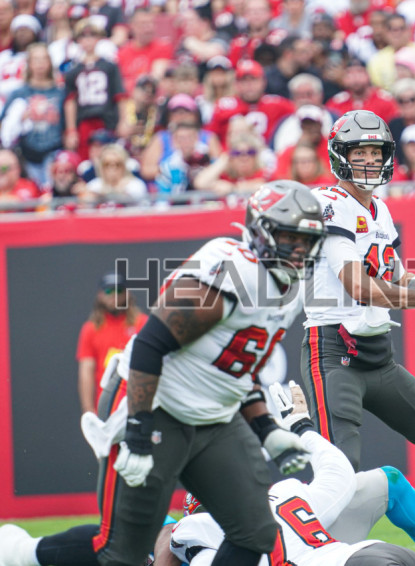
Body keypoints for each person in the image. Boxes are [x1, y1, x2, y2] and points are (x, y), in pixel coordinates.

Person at [0, 182, 323, 566]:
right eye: (290, 238)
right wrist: (138, 429)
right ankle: (19, 554)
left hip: (214, 417)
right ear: (261, 231)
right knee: (121, 553)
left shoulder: (290, 289)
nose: (299, 250)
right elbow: (150, 346)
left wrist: (267, 429)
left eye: (307, 241)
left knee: (256, 533)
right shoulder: (231, 272)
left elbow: (240, 369)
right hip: (155, 403)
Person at [301, 109, 415, 509]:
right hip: (334, 352)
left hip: (378, 357)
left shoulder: (379, 209)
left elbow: (398, 279)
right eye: (359, 153)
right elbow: (359, 287)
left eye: (375, 152)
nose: (369, 161)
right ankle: (311, 542)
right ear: (339, 156)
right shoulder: (329, 203)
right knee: (340, 472)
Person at [164, 382, 415, 566]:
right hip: (363, 552)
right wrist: (302, 427)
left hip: (343, 558)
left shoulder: (198, 531)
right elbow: (339, 472)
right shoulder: (286, 492)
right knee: (383, 481)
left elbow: (170, 537)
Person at [76, 273, 148, 415]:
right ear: (100, 295)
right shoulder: (91, 329)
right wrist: (88, 410)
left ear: (127, 294)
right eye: (109, 291)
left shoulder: (142, 323)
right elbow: (86, 371)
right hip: (106, 405)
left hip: (136, 404)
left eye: (119, 291)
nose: (114, 296)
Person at [63, 18, 130, 161]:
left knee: (110, 157)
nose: (88, 41)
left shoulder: (110, 66)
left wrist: (123, 121)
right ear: (78, 40)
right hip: (84, 121)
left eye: (92, 36)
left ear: (98, 38)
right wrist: (71, 130)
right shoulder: (73, 71)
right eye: (83, 36)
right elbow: (70, 101)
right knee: (86, 159)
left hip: (107, 120)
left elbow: (120, 96)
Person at [0, 42, 64, 188]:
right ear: (29, 64)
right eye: (36, 59)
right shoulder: (19, 93)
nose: (40, 64)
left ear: (50, 62)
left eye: (44, 59)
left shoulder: (59, 92)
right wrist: (18, 121)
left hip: (54, 150)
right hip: (26, 153)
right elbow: (4, 125)